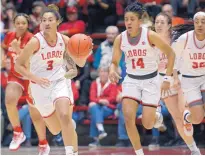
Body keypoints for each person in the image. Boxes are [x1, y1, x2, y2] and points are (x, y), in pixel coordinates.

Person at [15, 4, 92, 155]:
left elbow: (78, 64)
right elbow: (19, 66)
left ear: (58, 22)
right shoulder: (35, 42)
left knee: (64, 115)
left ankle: (71, 152)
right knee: (56, 129)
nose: (47, 23)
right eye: (44, 20)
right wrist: (34, 78)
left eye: (50, 20)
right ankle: (68, 125)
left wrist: (85, 51)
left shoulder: (65, 40)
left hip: (59, 82)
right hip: (40, 87)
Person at [109, 2, 175, 155]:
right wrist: (113, 70)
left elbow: (171, 54)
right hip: (131, 80)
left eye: (132, 19)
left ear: (140, 21)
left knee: (147, 123)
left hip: (151, 81)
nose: (129, 22)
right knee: (128, 117)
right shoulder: (120, 38)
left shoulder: (150, 35)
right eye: (126, 19)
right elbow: (114, 62)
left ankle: (156, 118)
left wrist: (167, 78)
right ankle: (139, 153)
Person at [1, 13, 50, 154]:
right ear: (14, 24)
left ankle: (43, 143)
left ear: (28, 25)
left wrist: (18, 50)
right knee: (9, 100)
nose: (21, 25)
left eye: (23, 23)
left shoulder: (32, 40)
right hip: (16, 75)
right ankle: (18, 132)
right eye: (18, 23)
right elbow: (2, 46)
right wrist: (2, 58)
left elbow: (30, 62)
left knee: (35, 114)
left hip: (31, 77)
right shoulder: (10, 36)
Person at [155, 12, 201, 155]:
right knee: (176, 119)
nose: (159, 25)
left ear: (169, 25)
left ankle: (188, 116)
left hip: (180, 78)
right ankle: (194, 150)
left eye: (162, 22)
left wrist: (174, 79)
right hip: (164, 82)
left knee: (183, 111)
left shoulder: (176, 41)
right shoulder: (151, 42)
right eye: (156, 22)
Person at [173, 11, 205, 139]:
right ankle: (187, 117)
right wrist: (175, 78)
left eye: (203, 22)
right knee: (197, 118)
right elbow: (173, 60)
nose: (200, 24)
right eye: (197, 22)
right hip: (189, 80)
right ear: (193, 23)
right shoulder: (184, 39)